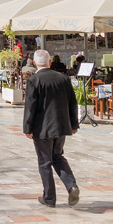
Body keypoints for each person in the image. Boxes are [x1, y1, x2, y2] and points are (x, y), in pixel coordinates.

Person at [23, 49, 80, 209]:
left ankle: (49, 198)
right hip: (61, 126)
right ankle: (71, 186)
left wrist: (27, 128)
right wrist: (74, 124)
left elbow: (30, 107)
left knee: (45, 162)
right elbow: (72, 102)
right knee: (58, 156)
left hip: (42, 128)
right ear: (49, 62)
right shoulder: (63, 78)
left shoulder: (34, 80)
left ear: (34, 63)